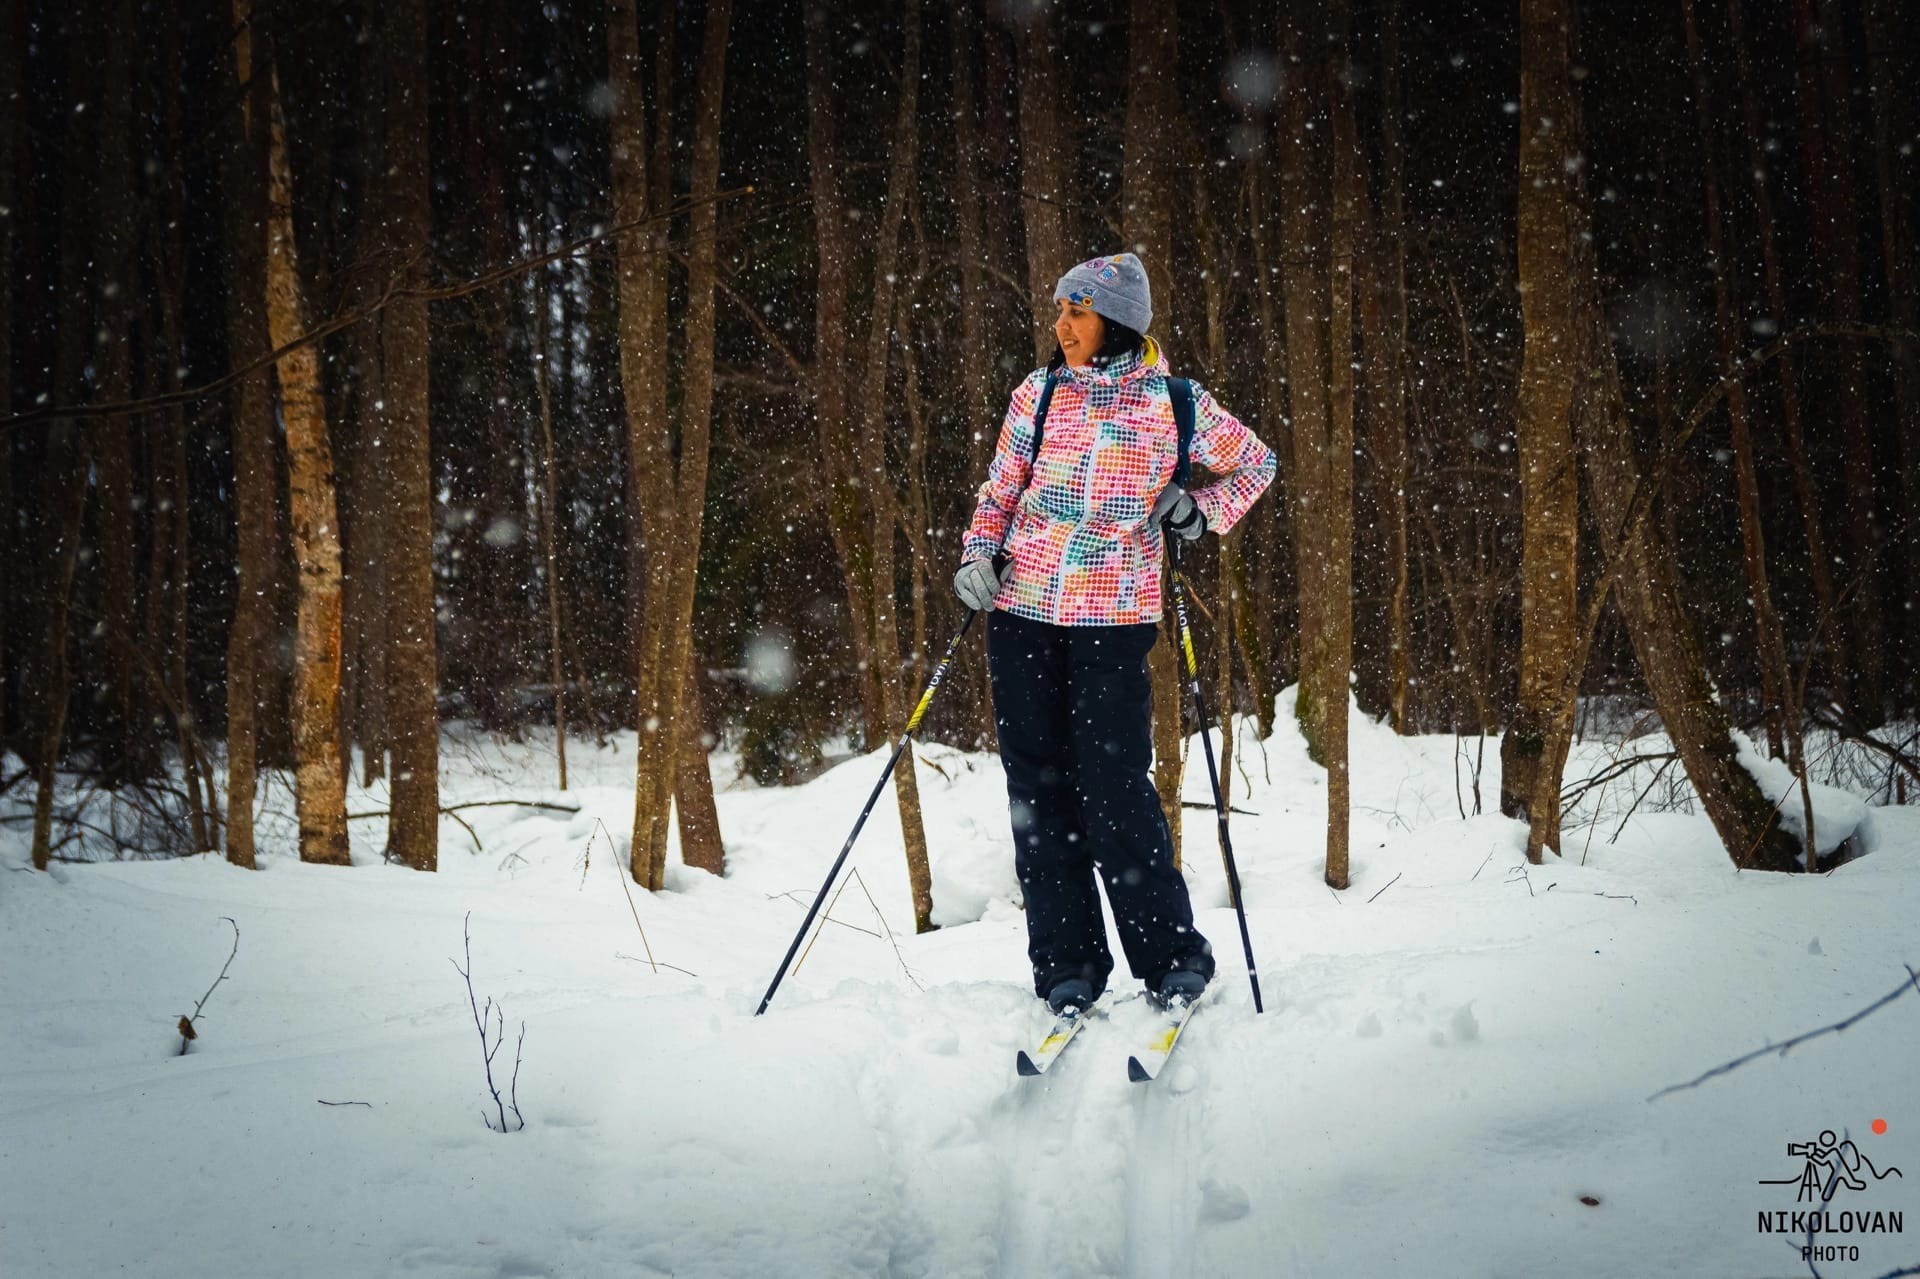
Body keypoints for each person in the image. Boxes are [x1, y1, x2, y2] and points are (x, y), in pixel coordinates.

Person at [954, 252, 1276, 1016]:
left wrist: (1199, 512)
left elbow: (1255, 466)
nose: (1061, 326)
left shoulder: (1176, 404)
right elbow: (1000, 493)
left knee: (1115, 791)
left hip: (1114, 620)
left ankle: (1170, 958)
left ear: (1118, 321)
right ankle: (1067, 964)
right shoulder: (1037, 396)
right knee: (1038, 795)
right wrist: (975, 556)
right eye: (1060, 310)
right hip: (1022, 614)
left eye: (1078, 312)